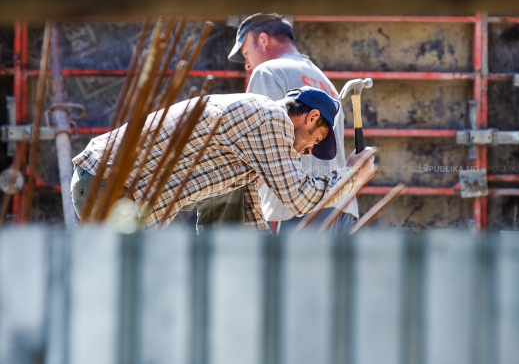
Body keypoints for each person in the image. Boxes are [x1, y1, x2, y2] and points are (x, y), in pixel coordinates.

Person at [70, 87, 376, 231]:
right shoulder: (271, 119)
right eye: (316, 140)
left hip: (103, 184)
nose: (309, 151)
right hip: (110, 186)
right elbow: (297, 198)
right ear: (310, 117)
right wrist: (349, 177)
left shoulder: (245, 142)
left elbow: (241, 224)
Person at [228, 13, 359, 231]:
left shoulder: (268, 73)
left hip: (293, 212)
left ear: (263, 40)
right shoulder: (326, 84)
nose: (247, 65)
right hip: (341, 209)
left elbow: (260, 151)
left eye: (245, 53)